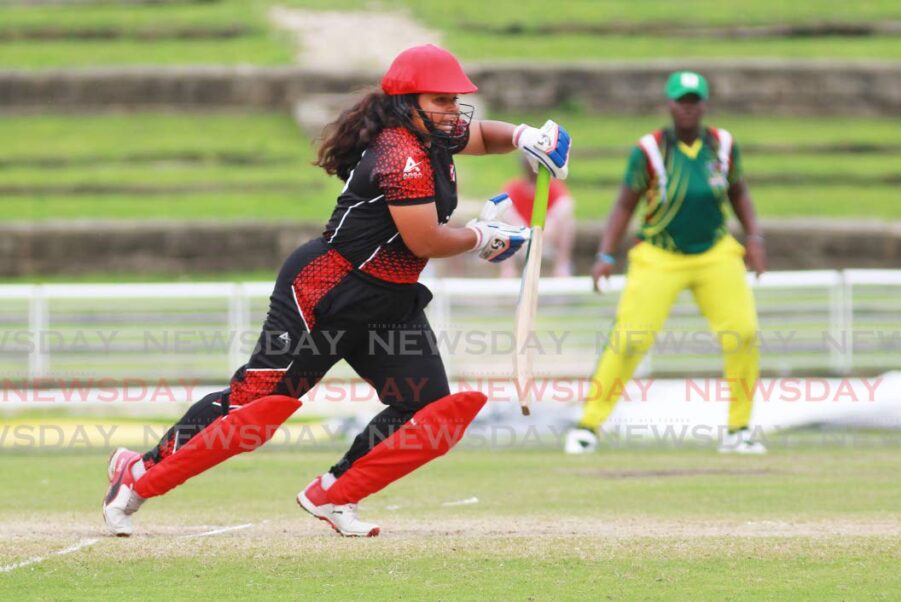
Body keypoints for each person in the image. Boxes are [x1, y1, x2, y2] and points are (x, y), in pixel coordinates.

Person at [103, 44, 571, 537]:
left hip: (389, 300)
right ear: (407, 102)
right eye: (442, 100)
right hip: (327, 293)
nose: (454, 112)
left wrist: (524, 137)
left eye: (456, 100)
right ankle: (135, 474)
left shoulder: (432, 134)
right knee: (254, 412)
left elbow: (480, 136)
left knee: (428, 412)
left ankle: (335, 493)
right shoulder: (400, 154)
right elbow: (425, 239)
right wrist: (482, 236)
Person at [564, 70, 765, 455]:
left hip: (714, 251)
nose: (687, 108)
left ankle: (739, 429)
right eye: (681, 101)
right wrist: (605, 254)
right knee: (629, 340)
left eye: (694, 101)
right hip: (659, 253)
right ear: (670, 105)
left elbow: (739, 192)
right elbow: (625, 203)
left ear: (704, 105)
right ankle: (589, 424)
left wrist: (754, 238)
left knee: (743, 334)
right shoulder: (650, 149)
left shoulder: (722, 144)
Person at [497, 156, 576, 278]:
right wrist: (520, 226)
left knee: (568, 221)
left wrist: (549, 222)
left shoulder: (553, 187)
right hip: (520, 239)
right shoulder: (515, 187)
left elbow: (566, 204)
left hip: (546, 238)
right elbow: (502, 206)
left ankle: (561, 266)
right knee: (502, 217)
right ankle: (507, 269)